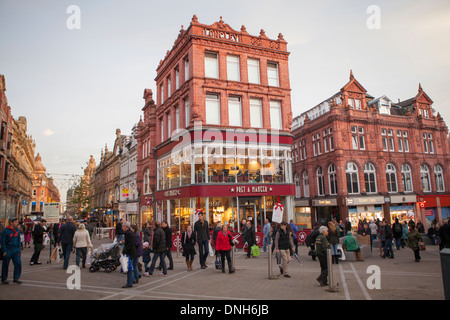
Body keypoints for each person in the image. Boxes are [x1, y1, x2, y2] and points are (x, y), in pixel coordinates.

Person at [1, 217, 22, 284]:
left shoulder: (17, 230)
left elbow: (18, 240)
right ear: (11, 223)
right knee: (5, 265)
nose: (17, 223)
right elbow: (2, 242)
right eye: (15, 222)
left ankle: (16, 278)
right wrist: (4, 251)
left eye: (17, 222)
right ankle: (4, 279)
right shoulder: (5, 231)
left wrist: (19, 249)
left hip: (16, 250)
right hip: (8, 250)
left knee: (18, 263)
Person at [121, 221, 136, 288]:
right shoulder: (129, 233)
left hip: (129, 253)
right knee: (130, 267)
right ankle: (132, 280)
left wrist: (125, 250)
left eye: (123, 226)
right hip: (131, 252)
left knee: (129, 268)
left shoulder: (128, 233)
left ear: (125, 227)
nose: (122, 228)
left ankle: (129, 282)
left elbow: (130, 244)